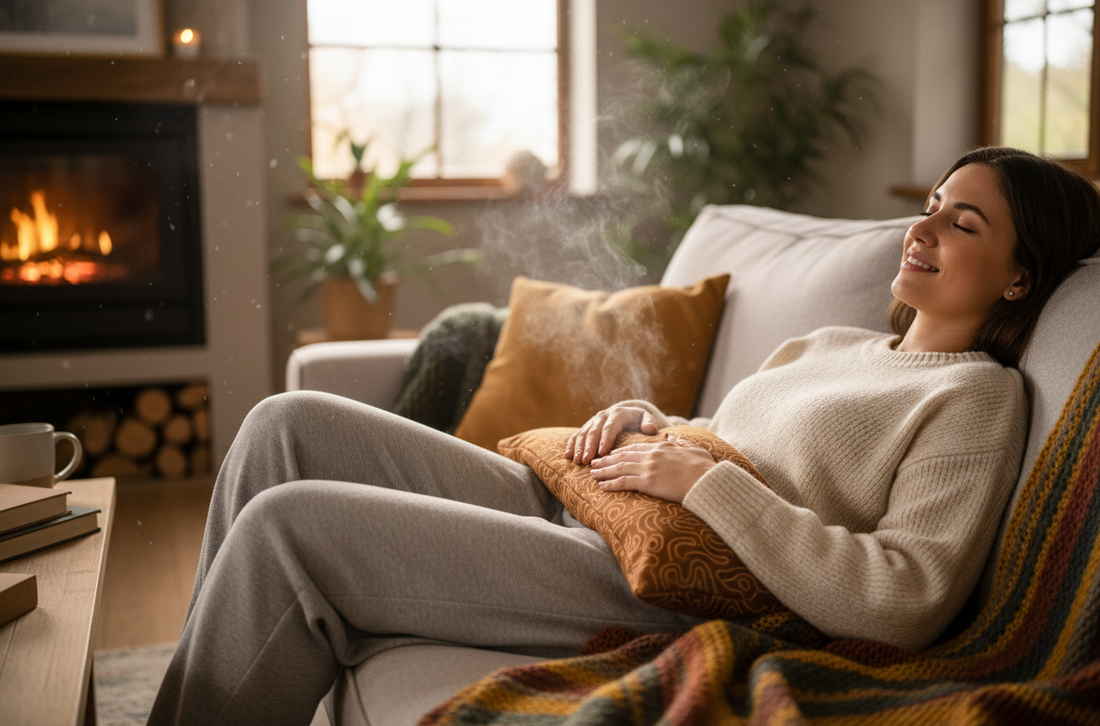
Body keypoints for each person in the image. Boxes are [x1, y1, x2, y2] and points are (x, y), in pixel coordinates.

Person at [148, 147, 1100, 726]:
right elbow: (718, 437)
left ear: (1020, 278)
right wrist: (653, 424)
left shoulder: (977, 400)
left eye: (962, 220)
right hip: (606, 504)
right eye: (930, 203)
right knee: (285, 424)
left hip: (674, 587)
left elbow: (906, 599)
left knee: (291, 529)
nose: (923, 225)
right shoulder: (835, 341)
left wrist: (701, 485)